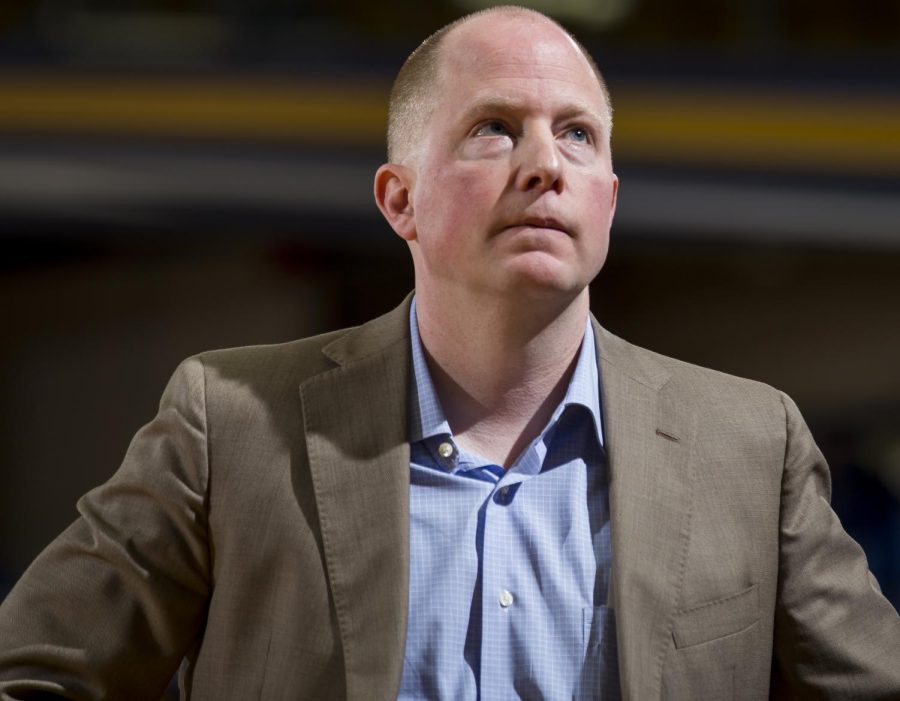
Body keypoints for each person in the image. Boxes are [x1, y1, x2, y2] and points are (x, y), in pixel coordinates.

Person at [1, 6, 898, 700]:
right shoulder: (230, 421)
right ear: (401, 200)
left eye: (577, 134)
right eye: (495, 128)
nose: (546, 162)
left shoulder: (749, 441)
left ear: (610, 201)